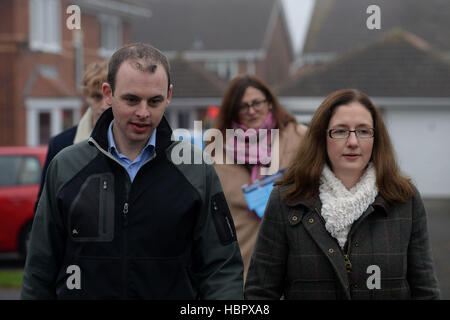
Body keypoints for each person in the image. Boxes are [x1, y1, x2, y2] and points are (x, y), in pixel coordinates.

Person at [21, 43, 243, 299]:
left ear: (169, 95)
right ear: (108, 93)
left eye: (155, 101)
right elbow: (40, 268)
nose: (143, 112)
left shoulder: (196, 170)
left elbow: (221, 268)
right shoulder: (66, 166)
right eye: (131, 99)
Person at [245, 89, 440, 300]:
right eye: (340, 131)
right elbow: (260, 294)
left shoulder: (405, 200)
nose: (353, 142)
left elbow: (425, 291)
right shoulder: (286, 200)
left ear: (376, 138)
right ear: (322, 137)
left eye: (364, 131)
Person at [211, 75, 307, 280]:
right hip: (240, 267)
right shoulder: (216, 151)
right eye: (243, 106)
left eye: (257, 103)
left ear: (269, 102)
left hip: (293, 263)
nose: (251, 111)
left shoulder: (300, 138)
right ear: (232, 111)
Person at [34, 61, 109, 213]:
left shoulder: (132, 142)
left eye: (109, 96)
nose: (104, 105)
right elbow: (44, 208)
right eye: (96, 96)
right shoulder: (61, 144)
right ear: (87, 96)